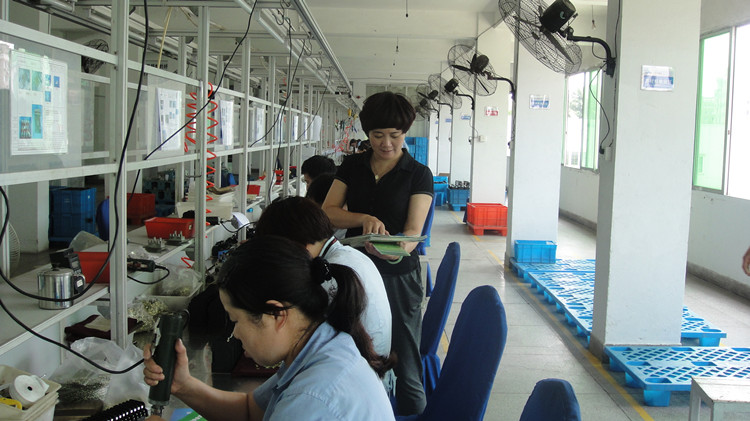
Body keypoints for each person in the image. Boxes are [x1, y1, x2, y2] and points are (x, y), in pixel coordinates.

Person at [143, 236, 396, 421]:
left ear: (276, 314)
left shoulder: (312, 399)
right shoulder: (319, 347)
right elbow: (249, 412)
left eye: (236, 320)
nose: (235, 334)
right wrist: (184, 385)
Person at [322, 91, 433, 416]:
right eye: (377, 135)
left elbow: (412, 231)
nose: (386, 143)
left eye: (394, 135)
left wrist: (394, 251)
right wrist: (363, 219)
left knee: (404, 354)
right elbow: (328, 212)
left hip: (398, 276)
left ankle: (413, 411)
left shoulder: (418, 174)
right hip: (355, 271)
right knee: (352, 346)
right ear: (367, 133)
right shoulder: (352, 166)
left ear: (405, 132)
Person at [254, 196, 392, 360]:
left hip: (361, 367)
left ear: (296, 245)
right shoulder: (348, 255)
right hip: (372, 364)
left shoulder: (329, 275)